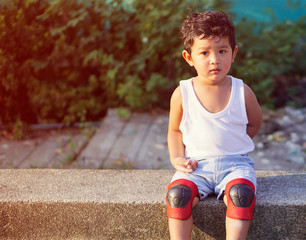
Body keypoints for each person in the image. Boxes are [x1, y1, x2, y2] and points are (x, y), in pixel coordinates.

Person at [166, 11, 262, 240]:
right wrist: (176, 158)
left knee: (241, 195)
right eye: (204, 52)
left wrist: (233, 141)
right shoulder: (182, 93)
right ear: (188, 57)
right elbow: (174, 130)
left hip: (235, 166)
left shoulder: (242, 91)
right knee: (177, 196)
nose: (214, 60)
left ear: (234, 52)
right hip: (196, 167)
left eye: (222, 51)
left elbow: (255, 123)